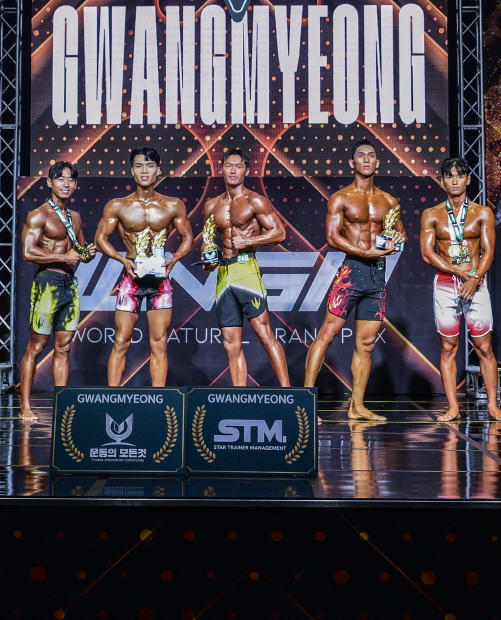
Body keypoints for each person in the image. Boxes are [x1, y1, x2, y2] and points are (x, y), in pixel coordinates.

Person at [303, 140, 407, 421]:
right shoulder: (341, 198)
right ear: (352, 163)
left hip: (376, 275)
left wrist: (398, 239)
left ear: (377, 162)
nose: (366, 159)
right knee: (327, 334)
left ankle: (357, 406)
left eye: (371, 155)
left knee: (367, 344)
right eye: (361, 155)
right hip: (351, 272)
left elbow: (402, 235)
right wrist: (363, 251)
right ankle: (305, 402)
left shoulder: (390, 201)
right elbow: (332, 237)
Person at [94, 148, 193, 387]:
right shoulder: (118, 205)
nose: (144, 171)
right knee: (121, 341)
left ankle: (158, 399)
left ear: (158, 170)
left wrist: (175, 258)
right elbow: (100, 239)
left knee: (159, 343)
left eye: (149, 165)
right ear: (132, 171)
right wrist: (122, 260)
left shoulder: (173, 205)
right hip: (131, 277)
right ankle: (111, 398)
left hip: (160, 279)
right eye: (139, 166)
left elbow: (188, 236)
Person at [418, 157, 501, 421]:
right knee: (447, 347)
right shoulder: (431, 214)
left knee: (484, 347)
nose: (454, 181)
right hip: (447, 284)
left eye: (459, 175)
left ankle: (493, 406)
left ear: (468, 179)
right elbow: (427, 253)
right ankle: (453, 407)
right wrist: (457, 272)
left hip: (475, 284)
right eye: (449, 176)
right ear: (442, 180)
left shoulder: (482, 213)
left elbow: (489, 251)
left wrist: (474, 279)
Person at [199, 148, 292, 387]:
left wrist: (249, 240)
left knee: (264, 333)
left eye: (238, 166)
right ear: (221, 169)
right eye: (228, 166)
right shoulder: (211, 206)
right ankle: (239, 397)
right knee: (231, 343)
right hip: (223, 273)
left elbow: (279, 233)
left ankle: (289, 394)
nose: (233, 170)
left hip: (246, 269)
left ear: (246, 170)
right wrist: (207, 258)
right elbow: (207, 241)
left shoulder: (255, 201)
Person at [17, 162, 90, 421]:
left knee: (64, 347)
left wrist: (87, 253)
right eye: (60, 179)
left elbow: (81, 251)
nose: (66, 184)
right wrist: (63, 257)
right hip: (47, 283)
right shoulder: (39, 215)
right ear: (49, 182)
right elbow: (28, 252)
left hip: (69, 284)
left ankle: (62, 405)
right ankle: (25, 406)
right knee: (36, 346)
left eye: (70, 180)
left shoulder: (76, 217)